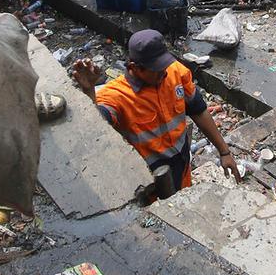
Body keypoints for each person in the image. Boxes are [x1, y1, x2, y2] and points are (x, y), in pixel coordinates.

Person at [71, 30, 242, 194]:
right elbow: (96, 126)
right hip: (150, 179)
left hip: (182, 165)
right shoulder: (116, 96)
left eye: (164, 65)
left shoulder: (175, 72)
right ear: (135, 68)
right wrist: (89, 92)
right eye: (156, 69)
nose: (164, 73)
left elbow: (198, 111)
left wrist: (224, 152)